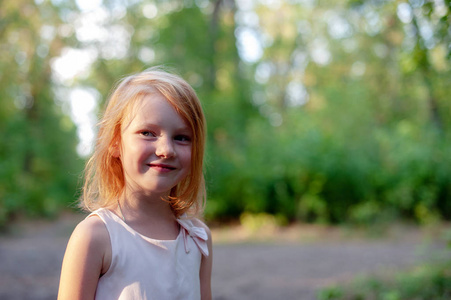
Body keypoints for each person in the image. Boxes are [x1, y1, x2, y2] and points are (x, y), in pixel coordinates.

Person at [58, 67, 213, 300]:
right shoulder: (95, 237)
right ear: (114, 143)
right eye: (148, 133)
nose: (166, 150)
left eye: (182, 138)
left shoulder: (198, 238)